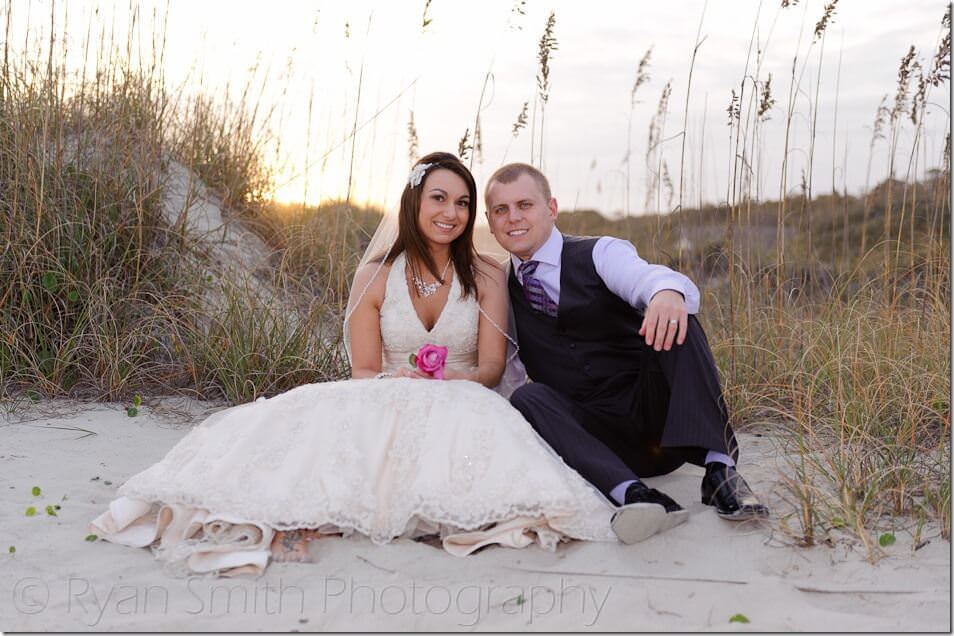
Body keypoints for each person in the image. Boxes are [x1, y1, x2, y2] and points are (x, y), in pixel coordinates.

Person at [90, 152, 644, 578]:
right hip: (382, 390)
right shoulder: (375, 274)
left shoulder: (489, 273)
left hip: (467, 396)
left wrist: (444, 377)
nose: (451, 213)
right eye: (439, 199)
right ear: (414, 203)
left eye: (462, 203)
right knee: (323, 427)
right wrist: (399, 381)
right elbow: (361, 372)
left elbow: (493, 369)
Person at [483, 162, 769, 543]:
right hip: (600, 445)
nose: (513, 218)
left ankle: (721, 472)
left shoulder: (599, 252)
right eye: (501, 210)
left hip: (661, 424)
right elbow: (507, 373)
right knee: (527, 396)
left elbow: (647, 277)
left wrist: (667, 292)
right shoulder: (499, 287)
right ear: (489, 221)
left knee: (676, 315)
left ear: (551, 208)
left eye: (524, 205)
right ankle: (634, 495)